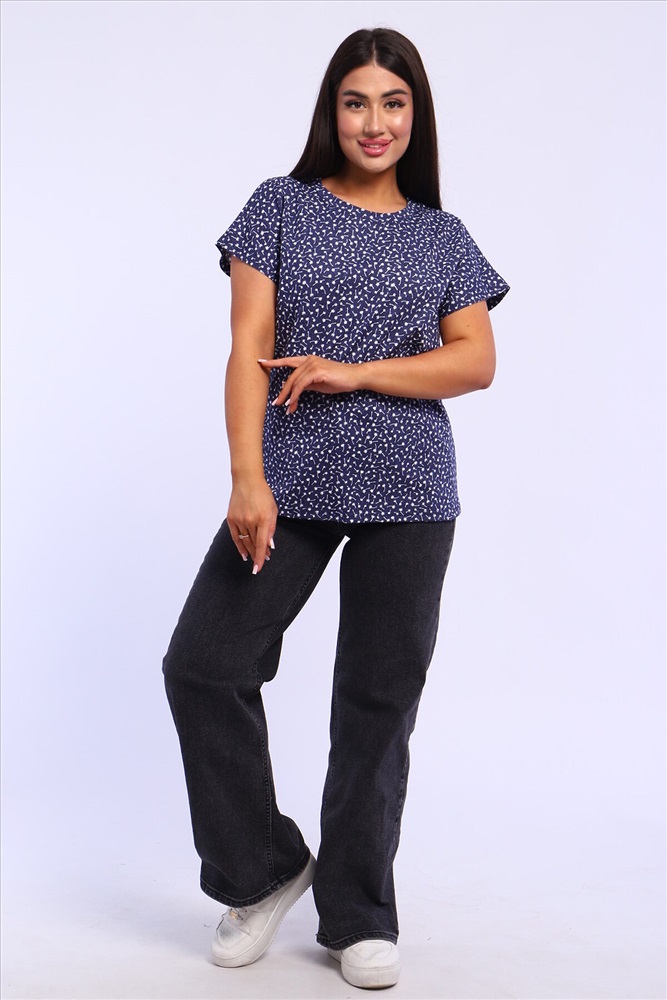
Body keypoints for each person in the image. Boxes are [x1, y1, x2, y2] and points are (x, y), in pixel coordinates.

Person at [162, 26, 509, 991]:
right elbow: (247, 345)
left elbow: (475, 361)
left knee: (375, 701)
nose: (374, 122)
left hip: (410, 486)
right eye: (357, 102)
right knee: (204, 664)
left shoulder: (440, 235)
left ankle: (357, 913)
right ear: (332, 111)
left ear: (415, 116)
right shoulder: (279, 207)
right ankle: (264, 870)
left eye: (393, 103)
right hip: (291, 483)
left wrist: (355, 371)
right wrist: (247, 475)